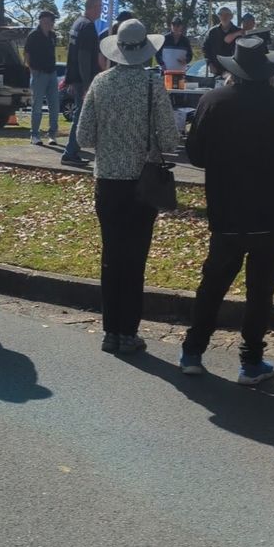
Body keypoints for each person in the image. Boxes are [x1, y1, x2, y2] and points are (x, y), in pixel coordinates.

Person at [179, 37, 274, 385]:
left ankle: (193, 351)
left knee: (212, 285)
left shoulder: (212, 101)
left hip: (227, 210)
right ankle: (250, 361)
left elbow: (195, 155)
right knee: (260, 292)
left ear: (233, 70)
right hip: (271, 212)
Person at [75, 19, 181, 356]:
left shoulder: (100, 84)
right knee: (135, 259)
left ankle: (110, 330)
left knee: (111, 255)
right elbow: (169, 137)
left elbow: (82, 137)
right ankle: (128, 331)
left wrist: (111, 145)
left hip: (107, 181)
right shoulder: (153, 85)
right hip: (141, 183)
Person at [60, 0, 105, 167]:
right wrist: (87, 83)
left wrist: (69, 78)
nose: (101, 9)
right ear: (93, 7)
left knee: (82, 115)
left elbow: (72, 54)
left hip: (75, 77)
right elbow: (84, 58)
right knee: (80, 116)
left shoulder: (77, 24)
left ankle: (73, 151)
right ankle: (70, 153)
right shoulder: (88, 27)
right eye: (100, 6)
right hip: (82, 80)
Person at [25, 8, 62, 146]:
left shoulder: (53, 36)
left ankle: (52, 134)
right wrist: (32, 70)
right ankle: (34, 134)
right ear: (40, 21)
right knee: (37, 105)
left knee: (54, 105)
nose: (46, 23)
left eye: (49, 21)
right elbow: (27, 54)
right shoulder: (33, 35)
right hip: (38, 73)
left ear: (52, 22)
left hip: (52, 73)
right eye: (43, 20)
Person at [158, 16, 194, 90]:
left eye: (178, 25)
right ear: (171, 26)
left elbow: (190, 55)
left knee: (180, 95)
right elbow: (158, 54)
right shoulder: (164, 39)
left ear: (181, 27)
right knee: (165, 94)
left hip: (180, 73)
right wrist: (162, 65)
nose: (176, 27)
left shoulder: (185, 41)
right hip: (166, 73)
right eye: (174, 25)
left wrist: (186, 60)